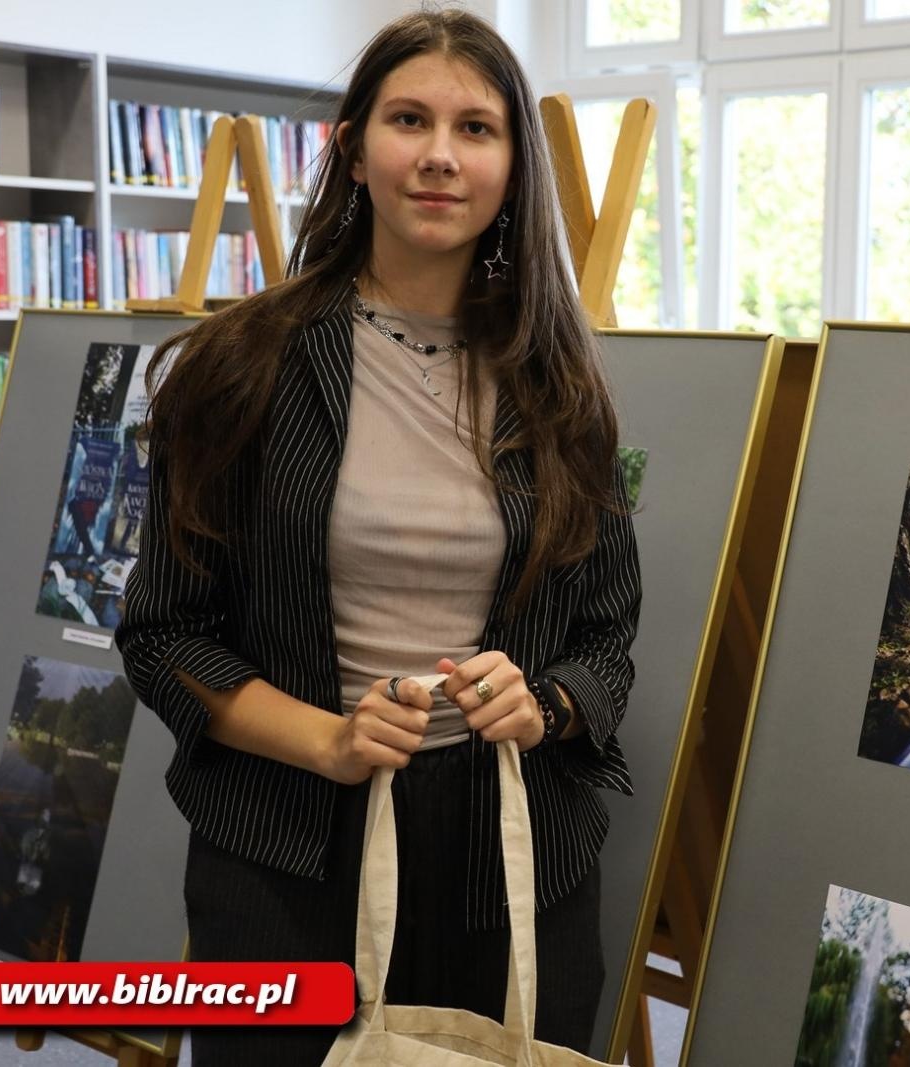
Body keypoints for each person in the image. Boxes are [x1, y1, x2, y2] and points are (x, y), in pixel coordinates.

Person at [114, 9, 641, 1065]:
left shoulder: (561, 383)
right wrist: (332, 740)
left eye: (476, 128)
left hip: (512, 852)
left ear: (509, 165)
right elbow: (165, 633)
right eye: (409, 119)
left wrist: (540, 703)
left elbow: (606, 633)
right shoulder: (239, 366)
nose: (441, 155)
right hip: (285, 847)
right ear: (353, 146)